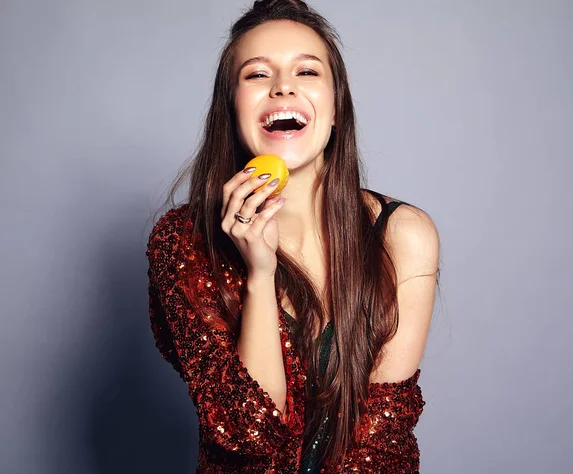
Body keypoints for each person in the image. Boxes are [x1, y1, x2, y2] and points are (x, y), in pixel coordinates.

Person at [146, 0, 440, 472]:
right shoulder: (183, 241)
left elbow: (382, 443)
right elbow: (252, 437)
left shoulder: (403, 235)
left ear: (337, 107)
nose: (283, 86)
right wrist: (260, 274)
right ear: (232, 110)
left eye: (307, 72)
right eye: (257, 75)